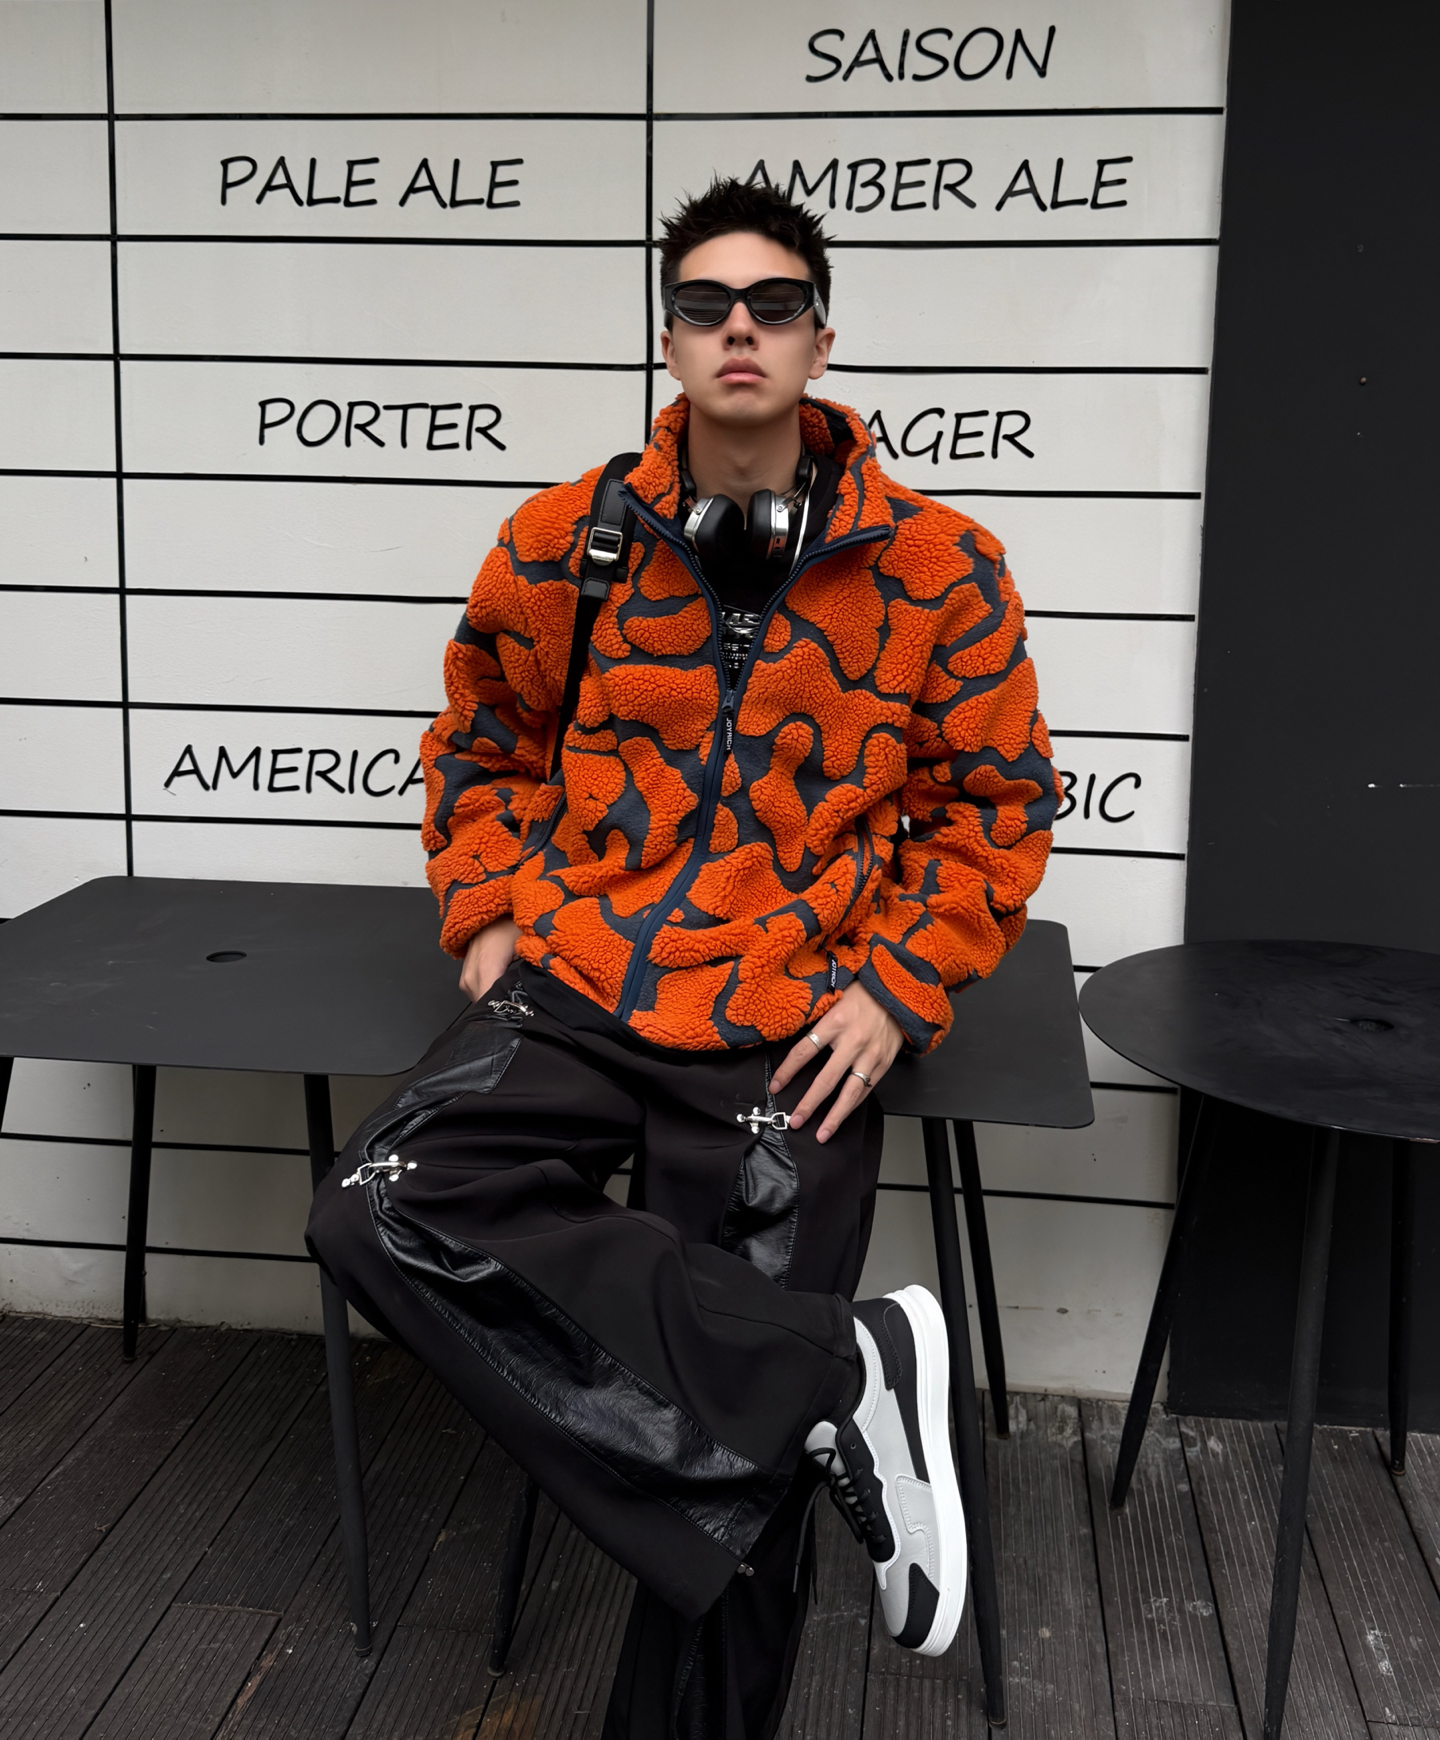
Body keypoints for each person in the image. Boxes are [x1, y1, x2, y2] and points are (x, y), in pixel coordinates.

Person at [308, 176, 1059, 1737]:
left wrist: (899, 984)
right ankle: (836, 1371)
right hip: (583, 986)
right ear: (667, 340)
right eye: (706, 304)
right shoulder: (562, 542)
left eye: (773, 304)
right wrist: (488, 905)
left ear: (821, 340)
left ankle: (802, 1404)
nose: (739, 329)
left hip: (794, 1024)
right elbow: (480, 746)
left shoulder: (942, 569)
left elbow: (994, 810)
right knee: (379, 1203)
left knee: (744, 1445)